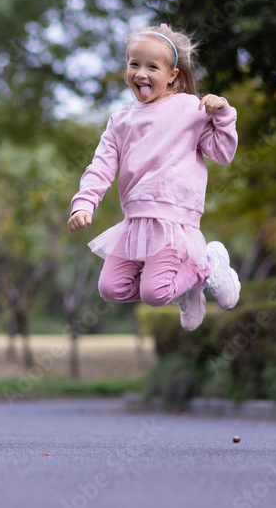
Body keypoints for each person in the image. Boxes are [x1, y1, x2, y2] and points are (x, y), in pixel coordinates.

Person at [67, 24, 241, 331]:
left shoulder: (191, 108)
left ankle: (208, 264)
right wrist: (84, 204)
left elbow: (223, 154)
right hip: (135, 222)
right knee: (111, 288)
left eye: (152, 67)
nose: (141, 74)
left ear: (173, 74)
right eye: (134, 64)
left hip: (174, 223)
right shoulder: (120, 120)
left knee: (155, 293)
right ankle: (186, 284)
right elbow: (101, 166)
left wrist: (223, 115)